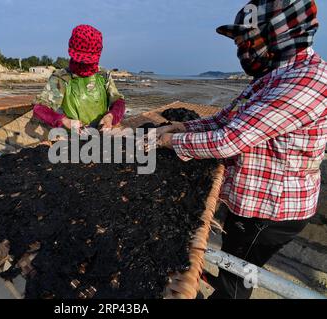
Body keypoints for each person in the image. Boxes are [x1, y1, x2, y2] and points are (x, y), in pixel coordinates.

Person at [155, 0, 326, 299]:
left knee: (236, 282)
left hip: (270, 213)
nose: (242, 51)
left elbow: (228, 140)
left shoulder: (306, 81)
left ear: (278, 35)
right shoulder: (274, 76)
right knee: (234, 266)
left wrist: (167, 141)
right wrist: (181, 128)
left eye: (248, 41)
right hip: (252, 204)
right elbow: (226, 118)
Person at [33, 25, 126, 132]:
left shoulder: (103, 75)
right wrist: (64, 121)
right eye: (81, 62)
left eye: (88, 62)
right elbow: (39, 108)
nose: (84, 66)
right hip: (72, 137)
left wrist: (111, 117)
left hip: (101, 133)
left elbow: (118, 101)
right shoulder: (62, 78)